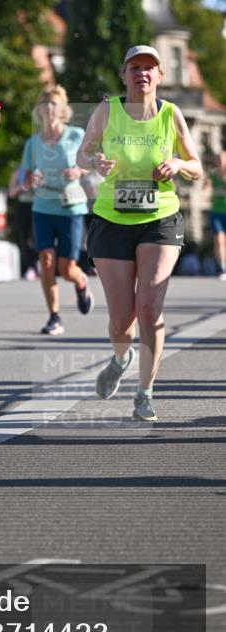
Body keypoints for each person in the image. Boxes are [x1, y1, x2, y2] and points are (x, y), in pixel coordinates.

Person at [77, 44, 202, 422]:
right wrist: (94, 161)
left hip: (159, 219)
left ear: (159, 76)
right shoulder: (107, 110)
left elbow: (197, 166)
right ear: (124, 74)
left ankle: (144, 392)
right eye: (135, 67)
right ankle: (120, 357)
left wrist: (178, 163)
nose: (142, 74)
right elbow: (82, 154)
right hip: (112, 221)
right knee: (122, 318)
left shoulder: (171, 114)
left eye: (150, 68)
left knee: (149, 308)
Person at [20, 85, 93, 336]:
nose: (49, 108)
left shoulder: (75, 135)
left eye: (54, 104)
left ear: (62, 110)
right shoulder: (33, 142)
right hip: (42, 207)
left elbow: (90, 162)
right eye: (45, 104)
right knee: (46, 261)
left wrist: (79, 171)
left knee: (66, 268)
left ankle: (81, 281)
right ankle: (54, 317)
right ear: (39, 111)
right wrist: (30, 180)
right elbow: (24, 174)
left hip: (71, 207)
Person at [7, 165, 37, 279]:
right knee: (24, 238)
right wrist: (22, 187)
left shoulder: (41, 169)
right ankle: (30, 267)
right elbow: (11, 193)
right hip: (23, 207)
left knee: (35, 238)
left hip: (38, 206)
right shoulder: (18, 172)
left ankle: (38, 263)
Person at [207, 150, 226, 279]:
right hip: (216, 212)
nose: (219, 160)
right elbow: (205, 189)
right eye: (217, 158)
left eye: (221, 158)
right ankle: (222, 268)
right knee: (219, 240)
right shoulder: (212, 175)